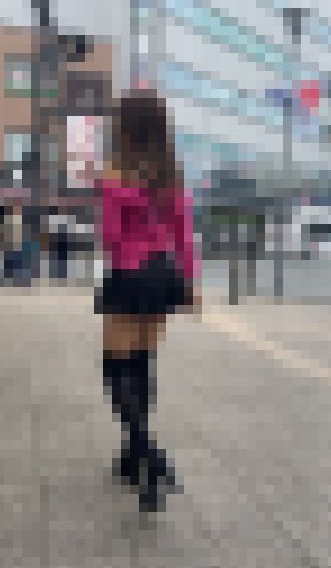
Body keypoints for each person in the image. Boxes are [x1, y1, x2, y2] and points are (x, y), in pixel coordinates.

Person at [95, 90, 201, 513]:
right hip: (164, 276)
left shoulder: (115, 172)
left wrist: (109, 194)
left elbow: (111, 238)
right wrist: (190, 285)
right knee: (142, 364)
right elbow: (184, 236)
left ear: (128, 127)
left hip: (129, 274)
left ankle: (150, 456)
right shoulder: (172, 174)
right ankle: (132, 457)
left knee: (114, 369)